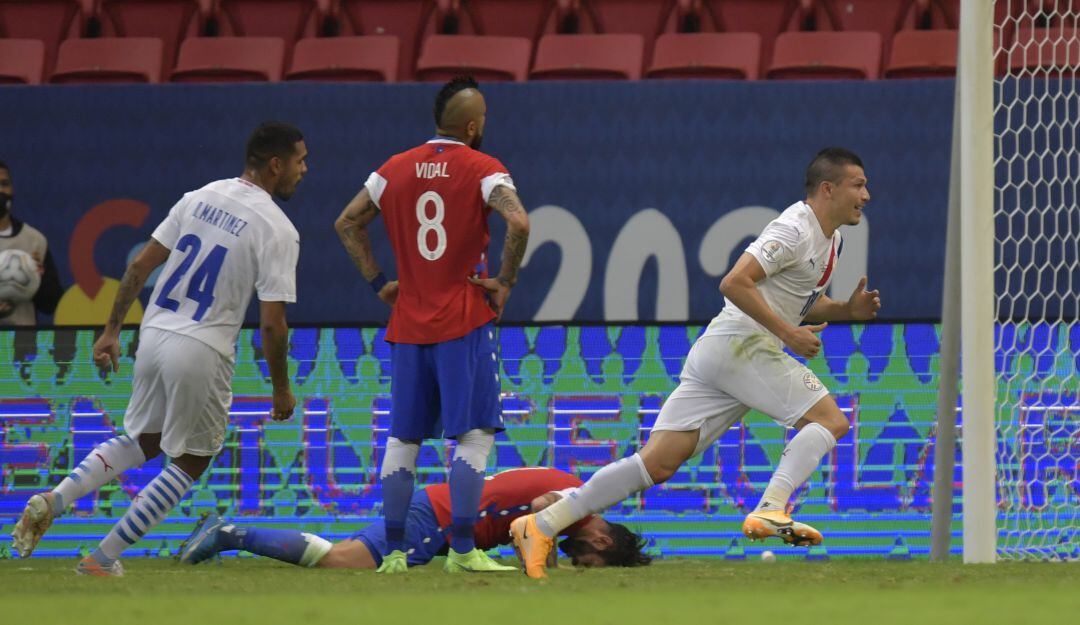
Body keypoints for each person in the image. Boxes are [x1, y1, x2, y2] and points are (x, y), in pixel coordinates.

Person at [510, 147, 883, 578]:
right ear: (828, 188)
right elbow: (734, 283)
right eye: (859, 185)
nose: (866, 195)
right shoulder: (794, 229)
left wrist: (843, 312)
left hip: (722, 352)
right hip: (743, 347)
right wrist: (788, 334)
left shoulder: (831, 238)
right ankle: (771, 508)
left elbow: (800, 302)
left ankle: (541, 524)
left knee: (658, 463)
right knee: (831, 421)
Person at [10, 122, 307, 576]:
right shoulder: (279, 229)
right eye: (300, 160)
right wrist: (281, 388)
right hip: (203, 346)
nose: (305, 170)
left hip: (154, 333)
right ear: (274, 164)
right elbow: (273, 324)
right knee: (192, 459)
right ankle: (101, 559)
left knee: (142, 440)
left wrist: (111, 329)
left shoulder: (199, 196)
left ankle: (56, 498)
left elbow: (139, 265)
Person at [334, 76, 530, 574]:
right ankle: (462, 551)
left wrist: (380, 281)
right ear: (472, 125)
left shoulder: (392, 170)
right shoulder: (485, 169)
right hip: (462, 319)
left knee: (404, 439)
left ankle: (395, 553)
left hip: (408, 322)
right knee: (474, 435)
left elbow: (347, 222)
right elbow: (521, 223)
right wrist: (504, 280)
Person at [176, 467, 652, 571]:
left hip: (442, 518)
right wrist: (539, 560)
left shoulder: (580, 497)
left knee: (351, 558)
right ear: (604, 544)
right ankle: (228, 533)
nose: (577, 564)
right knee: (344, 563)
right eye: (586, 565)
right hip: (439, 518)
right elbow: (537, 508)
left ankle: (227, 531)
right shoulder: (576, 507)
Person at [0, 160, 63, 324]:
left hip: (21, 342)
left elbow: (51, 304)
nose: (0, 190)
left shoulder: (35, 240)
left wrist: (38, 277)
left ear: (12, 189)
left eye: (4, 184)